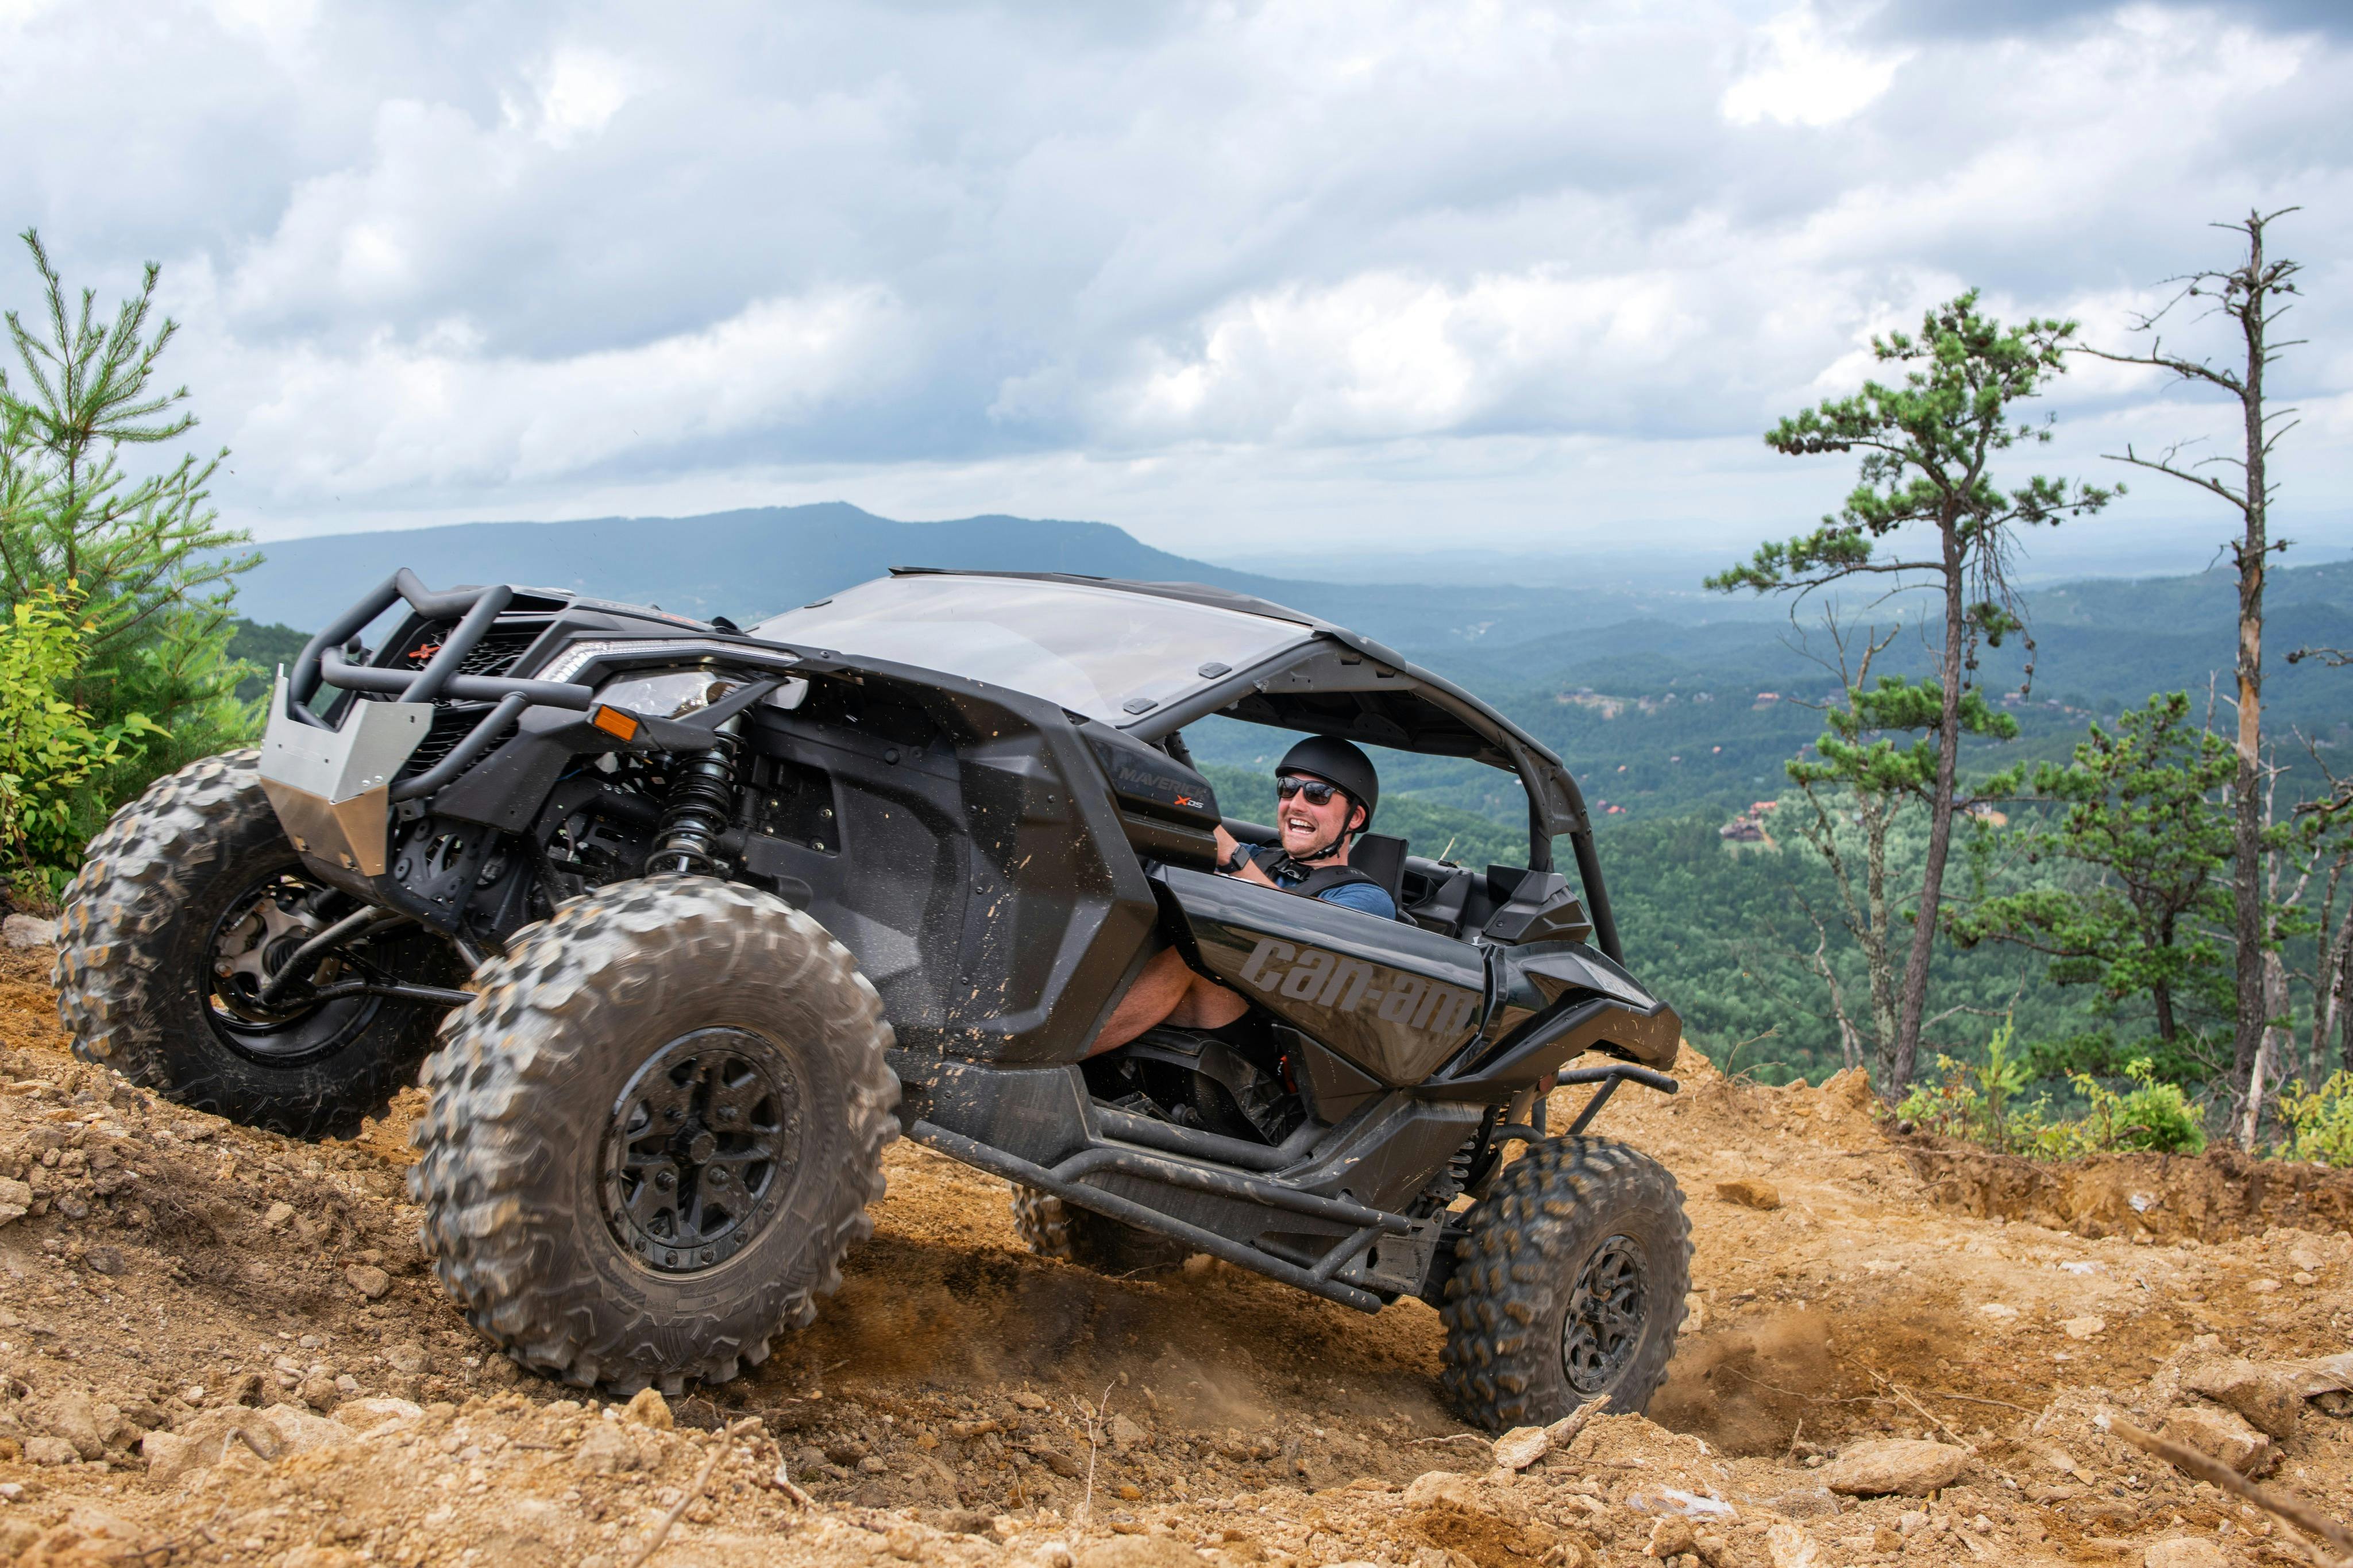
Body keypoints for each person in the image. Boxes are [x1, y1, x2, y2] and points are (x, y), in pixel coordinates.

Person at [1089, 737, 1392, 1055]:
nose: (1296, 804)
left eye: (1318, 795)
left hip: (1279, 1035)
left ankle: (1050, 1059)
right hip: (1212, 1006)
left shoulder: (1366, 898)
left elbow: (1300, 941)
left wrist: (1232, 856)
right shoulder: (1257, 858)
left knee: (1193, 954)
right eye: (1288, 790)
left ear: (1354, 818)